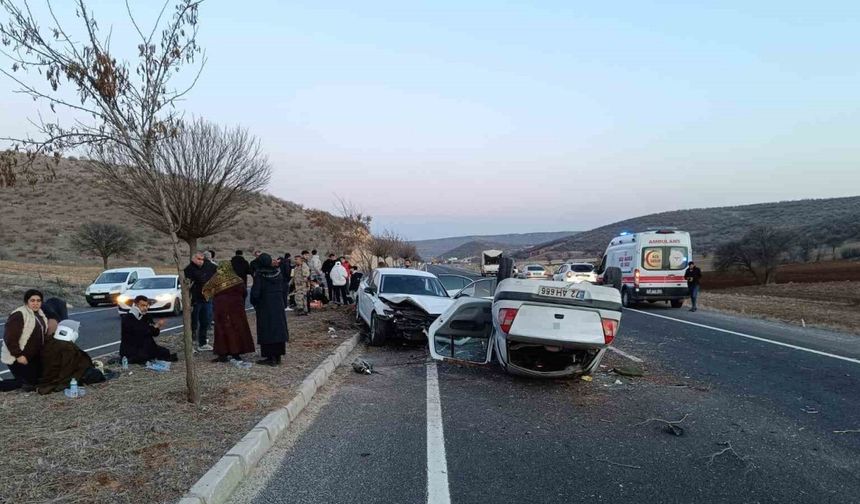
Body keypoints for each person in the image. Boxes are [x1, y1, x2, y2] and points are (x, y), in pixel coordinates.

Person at [203, 262, 255, 362]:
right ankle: (236, 353)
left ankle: (223, 353)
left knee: (221, 330)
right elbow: (244, 293)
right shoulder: (237, 279)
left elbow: (206, 291)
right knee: (236, 329)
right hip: (237, 308)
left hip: (221, 308)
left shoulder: (215, 279)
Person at [38, 320, 106, 395]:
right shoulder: (67, 348)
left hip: (47, 376)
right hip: (59, 377)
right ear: (71, 332)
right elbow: (68, 369)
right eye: (77, 331)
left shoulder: (50, 341)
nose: (78, 332)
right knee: (95, 374)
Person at [1, 290, 49, 391]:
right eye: (32, 300)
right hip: (18, 356)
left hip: (33, 357)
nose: (36, 303)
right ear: (26, 301)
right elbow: (9, 337)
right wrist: (18, 355)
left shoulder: (40, 314)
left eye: (38, 301)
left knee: (39, 380)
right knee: (26, 384)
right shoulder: (19, 314)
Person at [250, 254, 289, 366]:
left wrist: (255, 302)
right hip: (278, 303)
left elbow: (256, 293)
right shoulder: (278, 273)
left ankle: (270, 357)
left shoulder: (260, 274)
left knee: (267, 329)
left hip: (265, 305)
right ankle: (278, 356)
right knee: (278, 328)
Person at [120, 295, 177, 364]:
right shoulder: (128, 318)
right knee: (142, 356)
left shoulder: (146, 316)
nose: (145, 308)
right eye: (142, 305)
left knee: (165, 352)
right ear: (135, 305)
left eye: (146, 306)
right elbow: (141, 332)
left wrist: (157, 326)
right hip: (132, 348)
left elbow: (154, 333)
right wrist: (154, 327)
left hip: (145, 345)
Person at [185, 251, 217, 351]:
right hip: (195, 299)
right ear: (193, 259)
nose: (200, 261)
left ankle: (202, 343)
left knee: (205, 321)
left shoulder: (209, 267)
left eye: (202, 259)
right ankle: (191, 345)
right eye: (198, 259)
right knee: (193, 323)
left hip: (207, 298)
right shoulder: (189, 269)